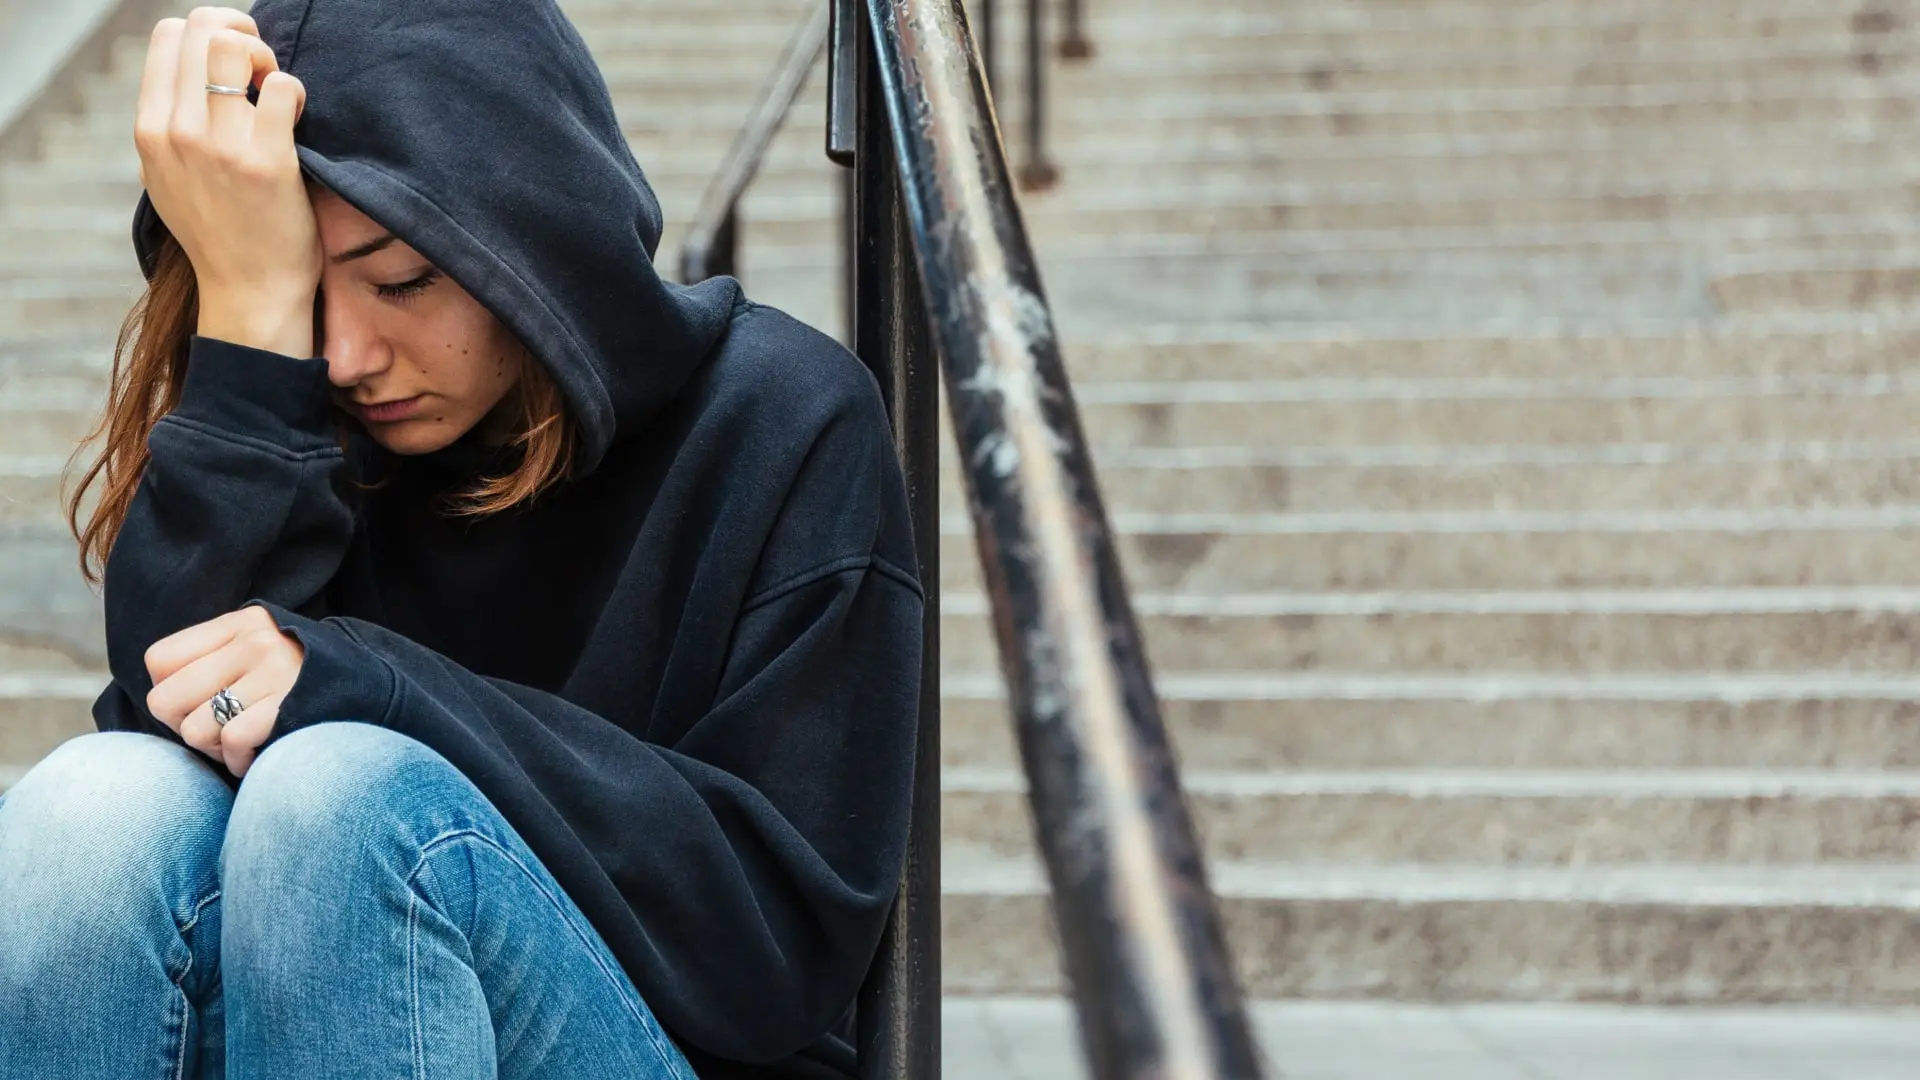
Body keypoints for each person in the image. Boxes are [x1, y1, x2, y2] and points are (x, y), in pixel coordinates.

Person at [0, 1, 924, 1078]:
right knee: (85, 811)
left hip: (676, 1048)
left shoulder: (782, 419)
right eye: (303, 288)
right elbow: (173, 722)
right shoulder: (305, 410)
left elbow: (777, 955)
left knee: (342, 803)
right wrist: (250, 323)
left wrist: (381, 690)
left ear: (528, 230)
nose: (345, 352)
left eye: (401, 279)